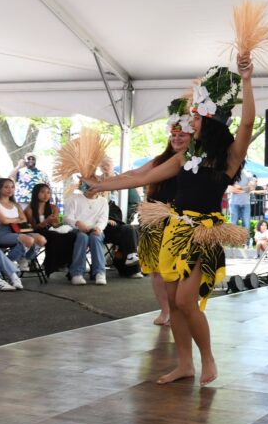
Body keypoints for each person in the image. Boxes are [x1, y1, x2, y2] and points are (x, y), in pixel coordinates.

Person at [87, 56, 256, 386]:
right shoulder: (185, 156)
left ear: (211, 122)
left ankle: (207, 358)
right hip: (175, 230)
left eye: (196, 117)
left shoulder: (230, 157)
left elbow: (248, 124)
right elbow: (144, 176)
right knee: (176, 305)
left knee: (184, 301)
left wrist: (247, 81)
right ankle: (184, 364)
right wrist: (101, 185)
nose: (190, 122)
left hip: (202, 233)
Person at [129, 96, 195, 326]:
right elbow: (137, 174)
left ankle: (180, 310)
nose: (176, 138)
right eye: (173, 135)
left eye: (182, 135)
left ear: (192, 136)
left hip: (178, 222)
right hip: (154, 220)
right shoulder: (160, 160)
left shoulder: (195, 162)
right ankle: (165, 310)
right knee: (156, 271)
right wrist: (105, 181)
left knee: (176, 270)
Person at [0, 177, 46, 271]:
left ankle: (24, 259)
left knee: (41, 240)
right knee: (28, 240)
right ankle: (7, 263)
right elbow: (3, 221)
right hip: (0, 232)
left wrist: (12, 220)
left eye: (12, 187)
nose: (10, 189)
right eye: (6, 187)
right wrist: (17, 219)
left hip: (16, 230)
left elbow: (24, 220)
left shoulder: (15, 204)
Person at [25, 182, 76, 275]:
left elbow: (56, 224)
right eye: (42, 192)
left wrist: (58, 222)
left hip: (51, 230)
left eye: (48, 192)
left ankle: (65, 263)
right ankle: (51, 265)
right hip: (36, 231)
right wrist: (46, 221)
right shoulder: (29, 209)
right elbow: (33, 227)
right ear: (36, 193)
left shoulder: (53, 207)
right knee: (54, 236)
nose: (46, 195)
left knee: (71, 236)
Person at [63, 185, 110, 285]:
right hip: (77, 229)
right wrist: (77, 223)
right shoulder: (74, 198)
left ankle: (100, 273)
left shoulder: (103, 201)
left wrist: (99, 228)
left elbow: (103, 219)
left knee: (95, 238)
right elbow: (67, 217)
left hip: (95, 229)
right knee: (82, 237)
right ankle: (77, 273)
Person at [228, 167, 253, 235]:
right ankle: (233, 243)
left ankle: (246, 244)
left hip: (246, 203)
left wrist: (239, 187)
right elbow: (231, 189)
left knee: (246, 224)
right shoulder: (232, 174)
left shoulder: (248, 174)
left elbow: (251, 188)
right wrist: (245, 190)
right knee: (233, 224)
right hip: (234, 203)